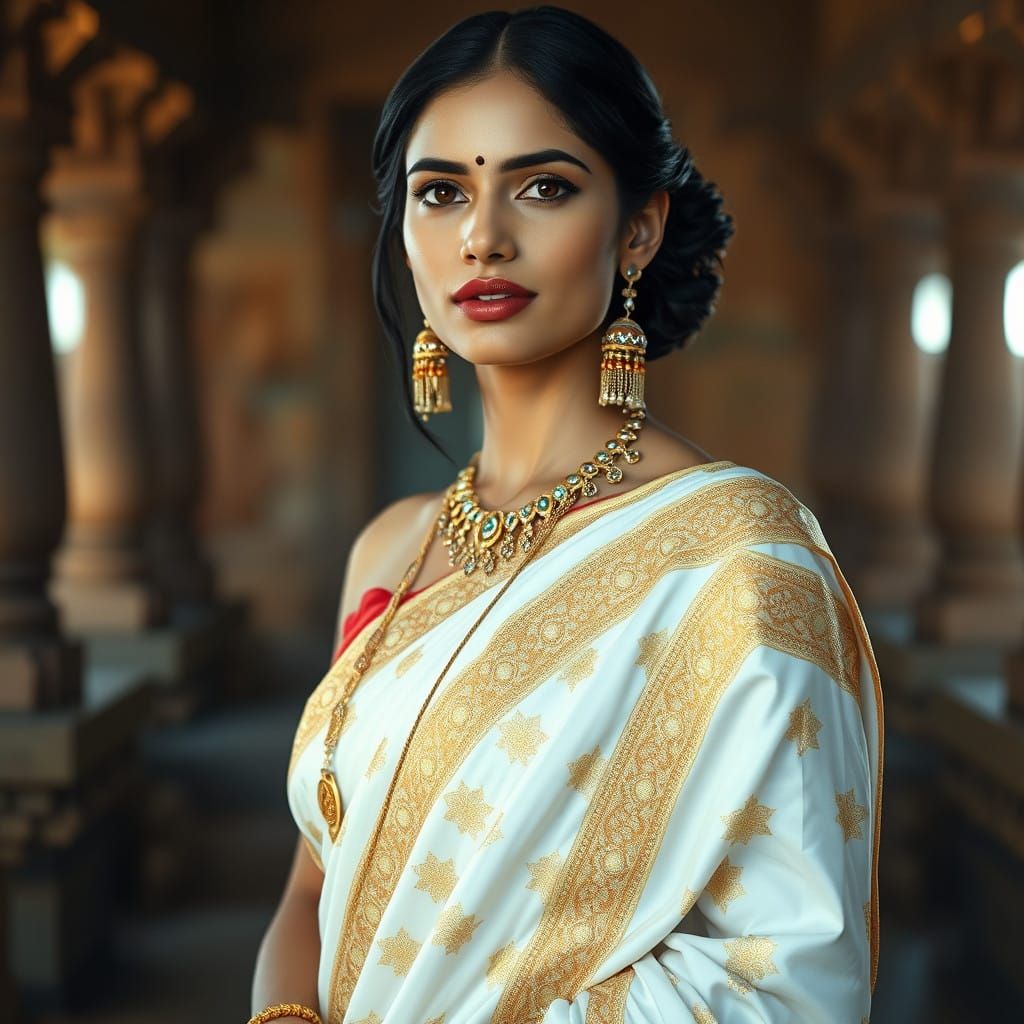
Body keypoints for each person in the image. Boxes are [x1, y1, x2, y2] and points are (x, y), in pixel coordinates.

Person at [250, 6, 883, 1023]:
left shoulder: (741, 564)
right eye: (440, 191)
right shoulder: (393, 547)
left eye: (543, 187)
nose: (482, 235)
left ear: (639, 226)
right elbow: (312, 888)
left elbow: (782, 982)